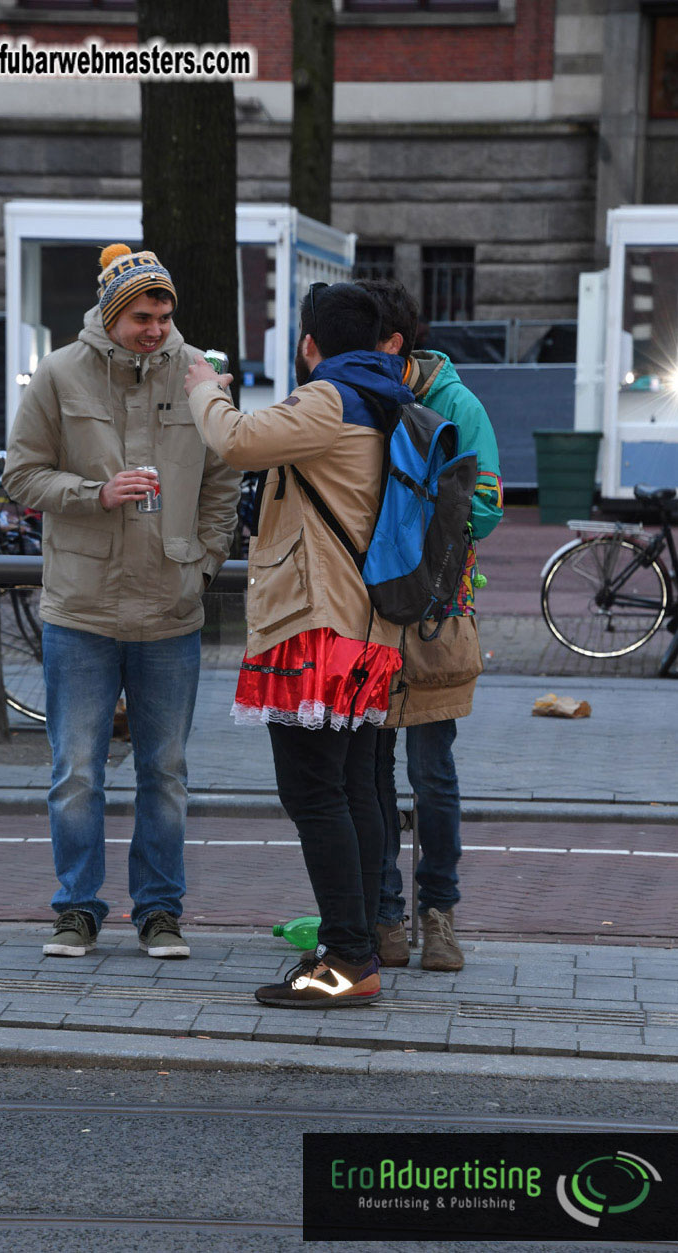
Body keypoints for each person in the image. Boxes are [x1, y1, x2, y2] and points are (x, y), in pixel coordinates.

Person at [3, 244, 240, 960]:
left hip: (170, 608)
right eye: (143, 314)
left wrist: (201, 561)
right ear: (113, 313)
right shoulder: (60, 372)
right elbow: (21, 474)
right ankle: (76, 908)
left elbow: (225, 477)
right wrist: (93, 494)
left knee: (164, 771)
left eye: (164, 313)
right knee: (75, 770)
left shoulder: (196, 373)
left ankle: (159, 912)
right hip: (80, 608)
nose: (157, 327)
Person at [184, 282, 414, 1009]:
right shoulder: (382, 393)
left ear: (310, 344)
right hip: (366, 625)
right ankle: (358, 939)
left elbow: (236, 441)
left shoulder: (329, 397)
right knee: (351, 788)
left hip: (315, 622)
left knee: (314, 791)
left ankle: (346, 958)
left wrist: (203, 388)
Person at [356, 278, 504, 972]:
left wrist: (413, 532)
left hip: (432, 615)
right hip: (363, 615)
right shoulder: (354, 395)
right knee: (369, 772)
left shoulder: (456, 404)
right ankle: (385, 915)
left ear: (392, 344)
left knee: (429, 770)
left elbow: (486, 505)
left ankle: (437, 912)